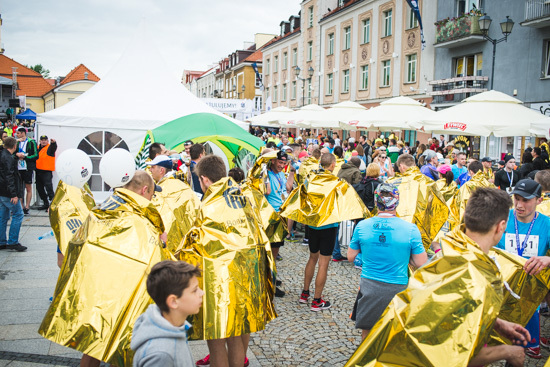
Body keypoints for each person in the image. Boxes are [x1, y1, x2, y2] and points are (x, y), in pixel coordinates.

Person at [347, 183, 427, 340]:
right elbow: (421, 263)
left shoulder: (362, 226)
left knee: (367, 331)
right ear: (396, 202)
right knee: (393, 332)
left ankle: (365, 362)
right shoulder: (410, 229)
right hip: (398, 287)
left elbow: (350, 256)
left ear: (377, 202)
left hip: (369, 284)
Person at [495, 179, 550, 359]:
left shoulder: (547, 224)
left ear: (539, 200)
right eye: (516, 199)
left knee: (526, 340)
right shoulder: (502, 218)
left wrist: (548, 258)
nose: (519, 205)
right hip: (502, 288)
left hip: (531, 292)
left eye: (525, 200)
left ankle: (532, 346)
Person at [131, 261, 203, 367]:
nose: (202, 293)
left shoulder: (175, 329)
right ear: (173, 301)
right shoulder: (160, 355)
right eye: (194, 290)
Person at [299, 153, 339, 311]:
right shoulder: (334, 181)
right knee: (323, 264)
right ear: (333, 165)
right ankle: (317, 301)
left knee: (312, 258)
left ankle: (305, 294)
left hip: (313, 224)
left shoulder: (311, 178)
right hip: (328, 225)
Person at [265, 150, 295, 297]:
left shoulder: (280, 174)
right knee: (272, 252)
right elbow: (267, 192)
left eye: (284, 163)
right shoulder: (266, 175)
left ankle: (272, 277)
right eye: (280, 162)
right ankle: (270, 284)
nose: (282, 165)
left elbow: (287, 188)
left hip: (280, 215)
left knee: (275, 251)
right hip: (271, 217)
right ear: (273, 161)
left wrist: (292, 172)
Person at [0, 136, 26, 252]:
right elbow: (9, 177)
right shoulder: (8, 158)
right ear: (14, 147)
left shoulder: (3, 154)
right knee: (18, 214)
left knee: (3, 216)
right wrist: (14, 195)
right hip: (8, 192)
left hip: (2, 191)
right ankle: (13, 241)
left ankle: (1, 241)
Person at [15, 127, 38, 215]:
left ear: (23, 133)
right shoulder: (16, 142)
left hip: (27, 167)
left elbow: (36, 155)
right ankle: (21, 206)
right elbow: (13, 153)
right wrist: (17, 155)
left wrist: (25, 157)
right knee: (19, 188)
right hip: (18, 167)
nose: (17, 135)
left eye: (18, 133)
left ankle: (27, 206)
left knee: (28, 187)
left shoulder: (31, 142)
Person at [35, 135, 57, 210]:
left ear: (47, 141)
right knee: (39, 188)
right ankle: (46, 203)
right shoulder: (37, 148)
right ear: (40, 141)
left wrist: (53, 143)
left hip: (46, 171)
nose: (43, 141)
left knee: (48, 188)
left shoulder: (49, 147)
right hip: (38, 171)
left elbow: (54, 148)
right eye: (42, 140)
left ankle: (53, 204)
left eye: (45, 140)